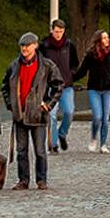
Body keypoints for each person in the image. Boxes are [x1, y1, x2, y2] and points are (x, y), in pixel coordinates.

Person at [4, 32, 60, 189]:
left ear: (35, 46)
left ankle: (41, 179)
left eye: (27, 45)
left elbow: (58, 85)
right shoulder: (14, 66)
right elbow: (5, 86)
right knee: (21, 151)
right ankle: (23, 180)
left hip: (37, 114)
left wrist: (48, 104)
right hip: (20, 114)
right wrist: (11, 104)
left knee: (40, 151)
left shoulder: (46, 65)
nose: (24, 49)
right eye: (22, 46)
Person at [79, 29, 110, 154]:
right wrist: (70, 79)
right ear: (98, 40)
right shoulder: (91, 55)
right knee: (97, 116)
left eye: (107, 37)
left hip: (108, 89)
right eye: (103, 38)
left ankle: (103, 144)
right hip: (94, 89)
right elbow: (82, 71)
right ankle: (93, 138)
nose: (106, 40)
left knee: (105, 118)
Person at [39, 18, 78, 154]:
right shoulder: (44, 46)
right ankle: (53, 144)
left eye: (61, 32)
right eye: (56, 32)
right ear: (52, 30)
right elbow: (40, 65)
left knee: (69, 112)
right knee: (52, 115)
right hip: (50, 86)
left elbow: (74, 63)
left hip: (66, 85)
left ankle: (62, 133)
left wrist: (70, 74)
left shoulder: (69, 45)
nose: (58, 34)